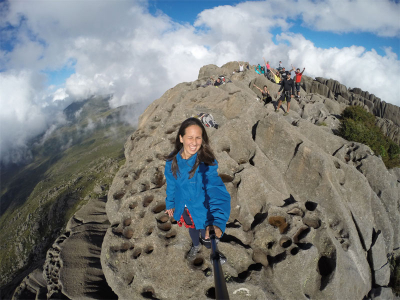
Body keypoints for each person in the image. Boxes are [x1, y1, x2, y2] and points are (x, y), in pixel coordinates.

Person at [164, 118, 231, 260]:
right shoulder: (171, 162)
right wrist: (170, 203)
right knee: (192, 228)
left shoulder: (206, 163)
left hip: (202, 207)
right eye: (190, 137)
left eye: (198, 138)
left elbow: (216, 191)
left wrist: (218, 221)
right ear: (181, 138)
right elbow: (171, 185)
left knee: (206, 232)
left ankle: (211, 248)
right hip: (184, 206)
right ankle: (196, 245)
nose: (194, 143)